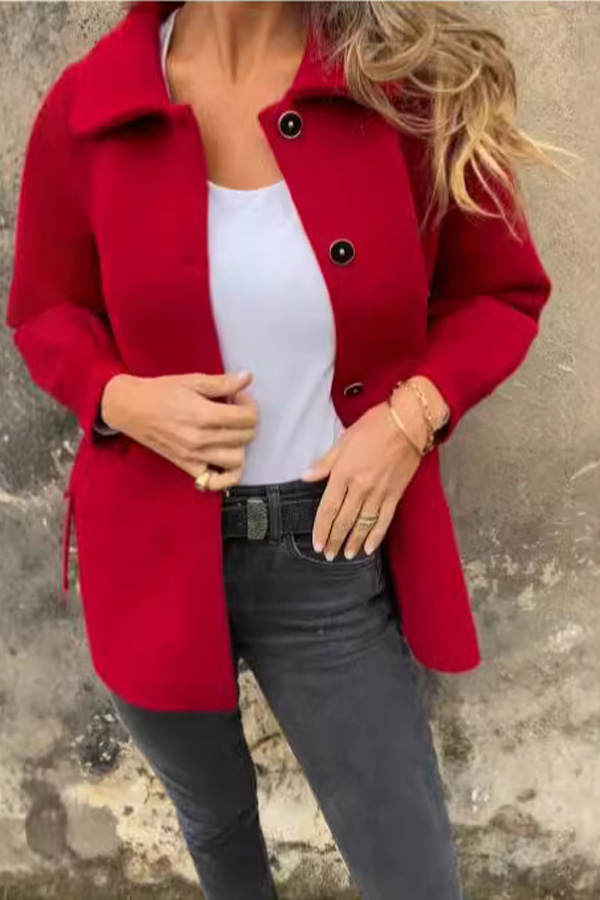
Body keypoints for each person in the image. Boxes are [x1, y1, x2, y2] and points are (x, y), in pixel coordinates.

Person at [5, 2, 559, 897]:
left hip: (329, 547)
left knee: (410, 868)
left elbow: (501, 292)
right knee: (219, 838)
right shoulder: (91, 106)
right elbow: (46, 309)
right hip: (149, 554)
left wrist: (408, 420)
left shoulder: (406, 89)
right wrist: (117, 398)